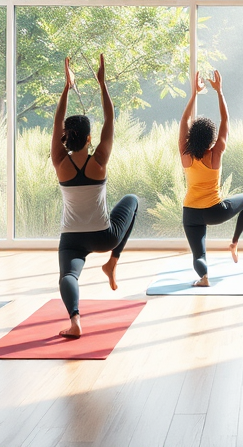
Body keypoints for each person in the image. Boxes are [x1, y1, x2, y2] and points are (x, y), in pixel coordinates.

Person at [53, 55, 139, 339]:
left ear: (66, 137)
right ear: (90, 139)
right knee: (132, 200)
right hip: (104, 237)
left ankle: (75, 320)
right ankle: (112, 261)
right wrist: (102, 84)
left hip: (72, 239)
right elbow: (110, 119)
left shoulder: (59, 162)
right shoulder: (99, 160)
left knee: (68, 276)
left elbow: (56, 123)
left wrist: (67, 87)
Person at [178, 69, 243, 287]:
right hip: (214, 212)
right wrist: (219, 92)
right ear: (212, 138)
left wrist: (194, 93)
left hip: (190, 213)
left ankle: (203, 277)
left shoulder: (185, 153)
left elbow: (184, 118)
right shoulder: (216, 152)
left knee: (199, 255)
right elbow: (226, 119)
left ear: (191, 136)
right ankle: (234, 242)